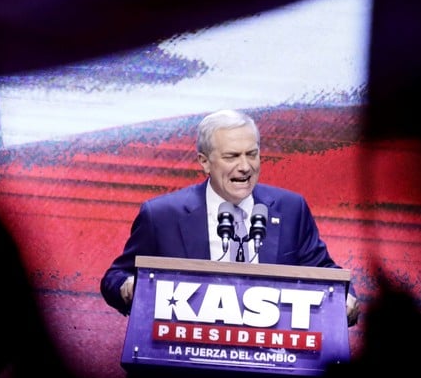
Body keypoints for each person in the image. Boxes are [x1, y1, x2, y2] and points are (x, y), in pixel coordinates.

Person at [100, 108, 360, 325]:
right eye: (232, 156)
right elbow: (115, 277)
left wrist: (345, 297)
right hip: (182, 366)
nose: (245, 166)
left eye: (252, 154)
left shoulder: (291, 208)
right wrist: (128, 287)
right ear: (204, 162)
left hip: (270, 365)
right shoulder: (161, 215)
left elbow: (324, 272)